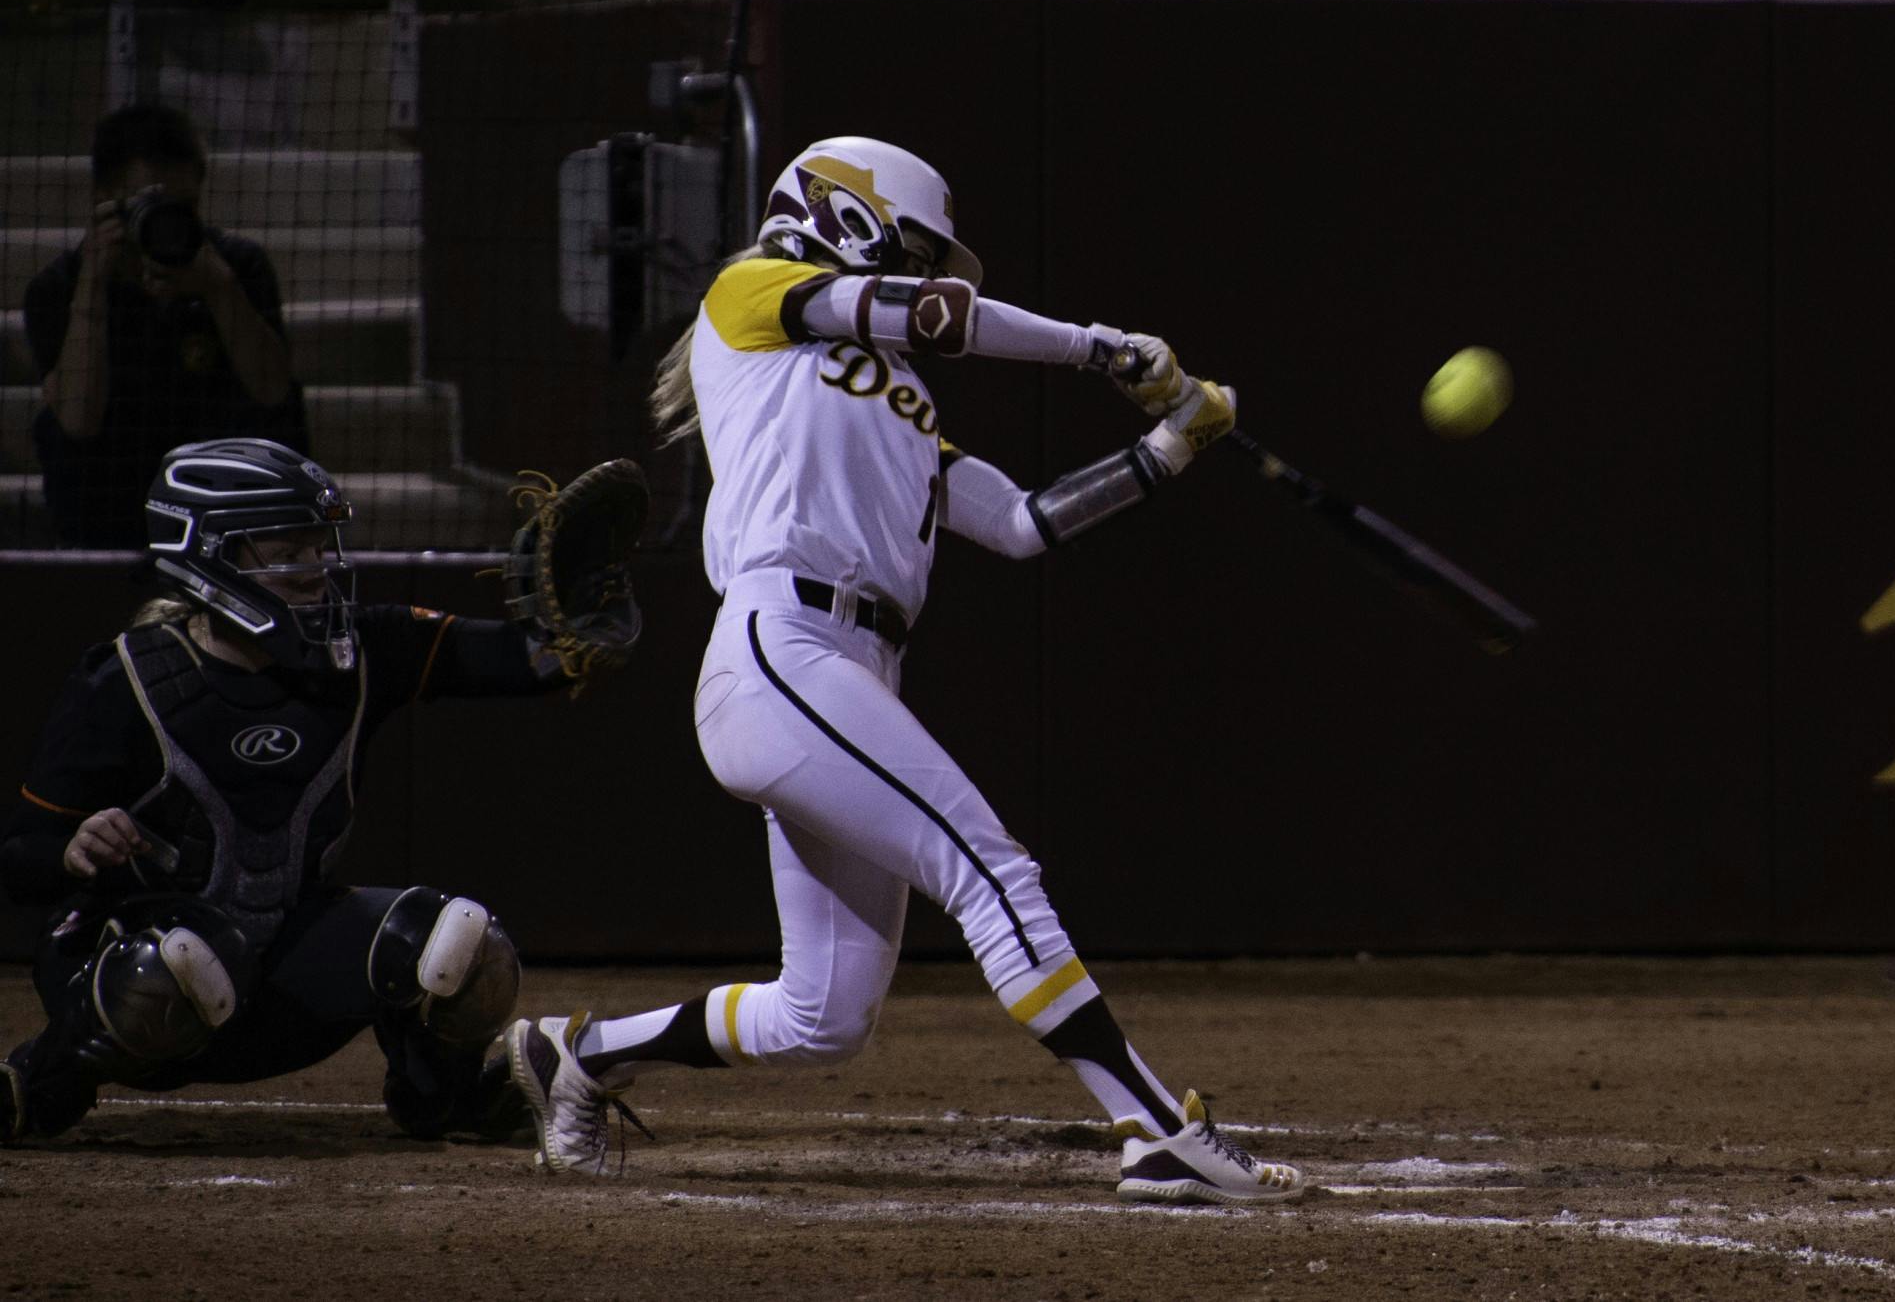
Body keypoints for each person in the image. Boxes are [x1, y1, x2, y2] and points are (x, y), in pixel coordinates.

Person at [507, 136, 1304, 1206]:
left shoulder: (896, 404)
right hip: (781, 644)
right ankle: (1154, 1127)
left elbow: (1022, 524)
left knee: (821, 1014)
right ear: (843, 211)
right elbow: (946, 318)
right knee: (989, 868)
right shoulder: (751, 292)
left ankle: (582, 1054)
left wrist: (1171, 446)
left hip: (849, 666)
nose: (926, 272)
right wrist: (1106, 349)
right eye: (915, 246)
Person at [0, 437, 596, 1146]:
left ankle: (446, 1097)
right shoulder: (123, 679)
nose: (317, 569)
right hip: (141, 983)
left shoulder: (361, 651)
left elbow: (524, 660)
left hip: (283, 974)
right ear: (211, 550)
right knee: (182, 957)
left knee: (466, 942)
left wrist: (583, 627)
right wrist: (71, 849)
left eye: (321, 547)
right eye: (289, 549)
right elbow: (19, 855)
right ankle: (40, 1085)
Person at [24, 104, 307, 547]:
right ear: (106, 195)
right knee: (57, 428)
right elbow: (78, 420)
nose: (166, 221)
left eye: (184, 207)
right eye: (148, 205)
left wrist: (220, 290)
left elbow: (274, 393)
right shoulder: (59, 288)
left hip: (223, 508)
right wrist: (93, 289)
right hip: (112, 509)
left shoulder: (236, 267)